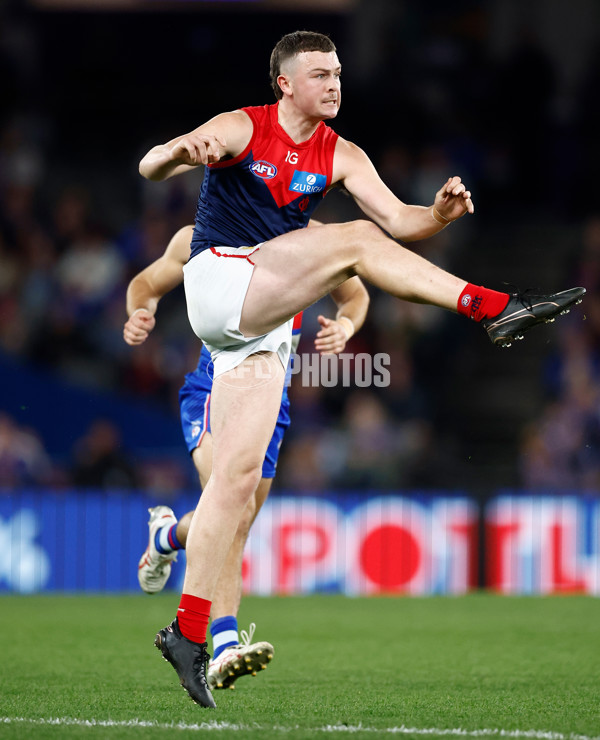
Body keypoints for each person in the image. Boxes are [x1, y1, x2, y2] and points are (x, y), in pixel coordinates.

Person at [137, 30, 585, 707]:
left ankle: (190, 633)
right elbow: (149, 166)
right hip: (220, 282)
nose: (334, 83)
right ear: (284, 83)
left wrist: (435, 213)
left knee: (238, 489)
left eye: (339, 72)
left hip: (257, 337)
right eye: (319, 74)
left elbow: (399, 222)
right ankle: (493, 307)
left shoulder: (343, 154)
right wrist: (177, 152)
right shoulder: (240, 127)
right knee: (350, 241)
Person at [123, 222, 369, 691]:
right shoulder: (205, 233)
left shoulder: (317, 238)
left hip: (270, 400)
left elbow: (355, 296)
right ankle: (224, 643)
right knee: (233, 510)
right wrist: (140, 311)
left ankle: (168, 536)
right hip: (214, 387)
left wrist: (346, 326)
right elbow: (147, 283)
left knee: (239, 514)